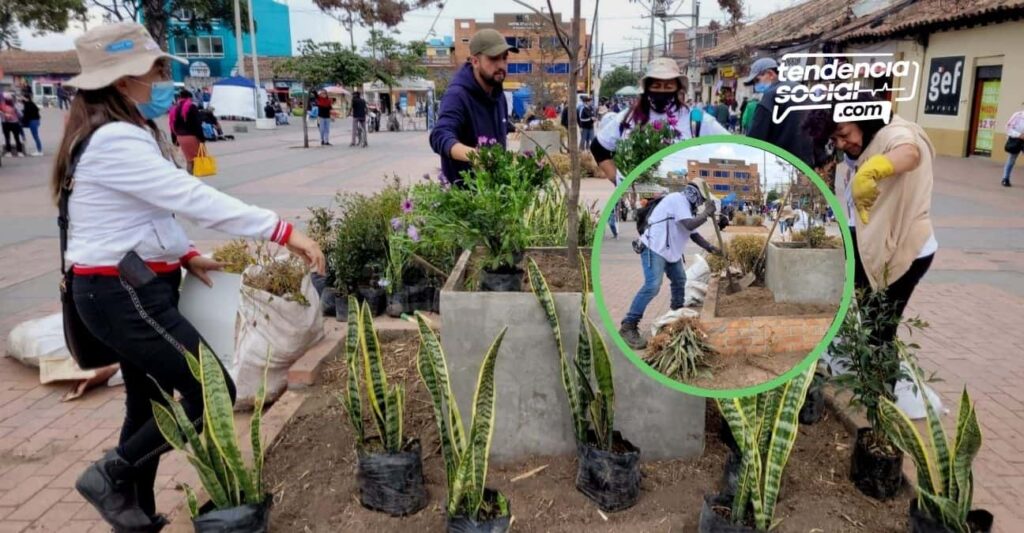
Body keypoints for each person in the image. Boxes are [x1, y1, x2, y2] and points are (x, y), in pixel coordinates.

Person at [56, 22, 324, 531]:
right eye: (155, 70)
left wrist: (185, 254)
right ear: (121, 80)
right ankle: (109, 475)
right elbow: (192, 198)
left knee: (147, 403)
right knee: (212, 391)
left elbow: (148, 216)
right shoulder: (115, 139)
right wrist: (283, 231)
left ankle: (135, 513)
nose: (163, 80)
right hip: (122, 293)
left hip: (128, 285)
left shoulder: (120, 131)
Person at [804, 95, 937, 347]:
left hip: (903, 249)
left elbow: (909, 151)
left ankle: (880, 384)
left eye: (845, 133)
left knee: (879, 332)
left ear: (863, 118)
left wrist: (876, 167)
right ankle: (870, 378)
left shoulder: (895, 131)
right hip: (871, 244)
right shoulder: (867, 140)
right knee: (868, 323)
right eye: (835, 139)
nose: (843, 144)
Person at [618, 180, 720, 348]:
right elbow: (689, 224)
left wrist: (711, 248)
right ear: (694, 194)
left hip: (670, 253)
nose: (702, 204)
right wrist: (706, 214)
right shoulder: (677, 200)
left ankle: (676, 315)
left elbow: (693, 233)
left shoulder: (687, 208)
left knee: (680, 280)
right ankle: (628, 326)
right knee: (653, 285)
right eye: (701, 199)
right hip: (654, 248)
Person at [430, 29, 517, 186]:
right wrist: (477, 157)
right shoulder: (457, 95)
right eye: (494, 58)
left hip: (496, 194)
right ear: (475, 61)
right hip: (466, 201)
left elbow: (497, 125)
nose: (501, 65)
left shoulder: (498, 94)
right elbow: (440, 135)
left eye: (504, 58)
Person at [744, 57, 815, 167]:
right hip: (808, 164)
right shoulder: (801, 89)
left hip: (782, 165)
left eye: (757, 80)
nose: (755, 86)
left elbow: (755, 139)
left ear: (771, 74)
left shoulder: (770, 96)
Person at [170, 89, 204, 174]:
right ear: (189, 97)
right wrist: (202, 138)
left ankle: (190, 177)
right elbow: (197, 124)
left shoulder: (174, 108)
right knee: (193, 161)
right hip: (191, 137)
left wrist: (174, 140)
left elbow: (172, 125)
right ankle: (191, 178)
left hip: (180, 137)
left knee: (188, 160)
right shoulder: (191, 107)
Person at [1002, 103, 1024, 187]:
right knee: (1011, 159)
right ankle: (1005, 178)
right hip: (1016, 140)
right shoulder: (1018, 115)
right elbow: (1008, 127)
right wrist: (1019, 135)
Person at [20, 92, 43, 156]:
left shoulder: (28, 105)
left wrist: (22, 120)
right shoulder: (30, 103)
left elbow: (26, 115)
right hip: (35, 121)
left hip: (33, 121)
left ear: (25, 98)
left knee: (35, 136)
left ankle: (39, 151)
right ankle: (24, 138)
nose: (21, 99)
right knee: (20, 126)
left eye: (23, 97)